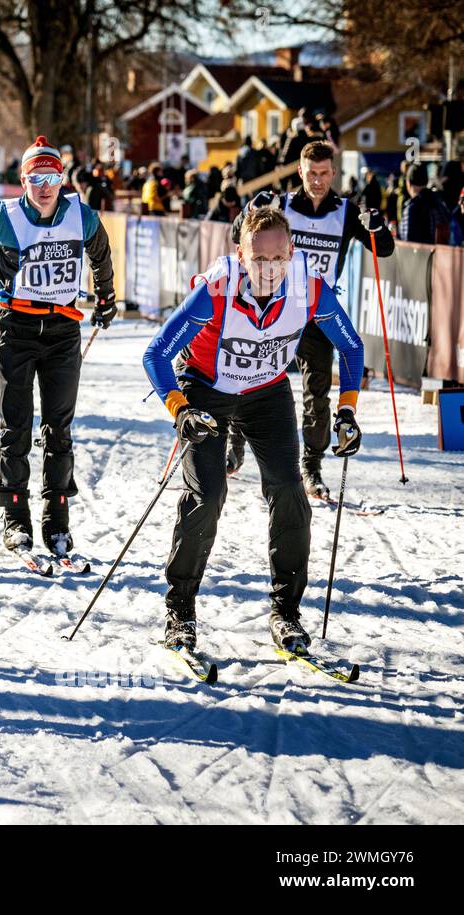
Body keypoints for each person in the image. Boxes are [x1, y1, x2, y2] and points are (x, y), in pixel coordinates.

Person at [142, 206, 364, 653]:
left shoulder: (309, 288)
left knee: (288, 490)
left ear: (292, 253)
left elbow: (352, 346)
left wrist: (346, 410)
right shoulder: (215, 290)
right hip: (206, 390)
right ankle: (180, 609)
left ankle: (286, 613)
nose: (270, 271)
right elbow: (156, 354)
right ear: (240, 255)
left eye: (279, 259)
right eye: (259, 261)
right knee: (207, 496)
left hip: (266, 392)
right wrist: (179, 408)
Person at [0, 135, 116, 558]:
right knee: (16, 428)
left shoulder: (81, 216)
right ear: (23, 180)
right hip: (16, 329)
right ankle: (15, 517)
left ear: (62, 178)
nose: (45, 185)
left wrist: (107, 297)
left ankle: (56, 520)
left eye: (53, 176)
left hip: (62, 329)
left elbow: (101, 255)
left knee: (59, 429)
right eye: (36, 177)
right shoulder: (5, 218)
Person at [227, 141, 393, 495]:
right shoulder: (282, 205)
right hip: (274, 308)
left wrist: (378, 227)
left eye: (323, 173)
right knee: (247, 374)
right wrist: (247, 213)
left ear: (333, 173)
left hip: (317, 313)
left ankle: (311, 467)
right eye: (310, 173)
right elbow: (236, 237)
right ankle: (234, 446)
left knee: (317, 394)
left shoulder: (346, 212)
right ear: (299, 172)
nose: (317, 181)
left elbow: (385, 249)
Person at [400, 163, 452, 244]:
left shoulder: (411, 207)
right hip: (443, 254)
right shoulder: (439, 202)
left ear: (408, 183)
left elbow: (408, 243)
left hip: (420, 255)